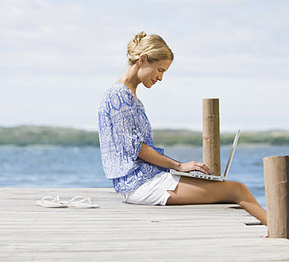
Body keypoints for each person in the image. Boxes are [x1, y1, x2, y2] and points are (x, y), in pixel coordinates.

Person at [98, 31, 268, 225]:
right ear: (143, 60)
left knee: (225, 187)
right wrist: (178, 166)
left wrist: (181, 170)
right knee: (237, 190)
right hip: (140, 185)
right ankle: (278, 234)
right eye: (160, 70)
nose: (160, 78)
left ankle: (274, 232)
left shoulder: (130, 96)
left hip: (147, 180)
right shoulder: (119, 95)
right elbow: (135, 149)